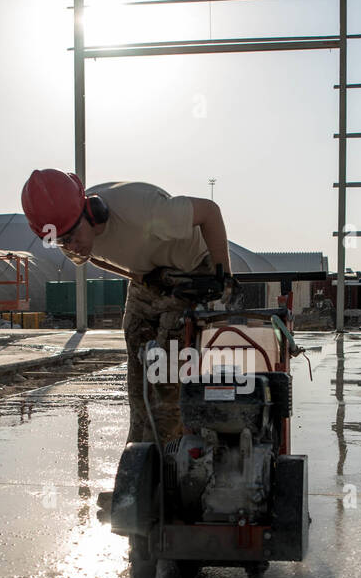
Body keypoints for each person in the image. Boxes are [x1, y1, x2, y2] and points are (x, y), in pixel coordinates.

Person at [21, 169, 235, 443]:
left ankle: (169, 460)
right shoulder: (65, 227)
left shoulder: (145, 211)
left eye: (73, 237)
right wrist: (142, 277)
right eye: (61, 241)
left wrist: (223, 279)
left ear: (93, 211)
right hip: (148, 276)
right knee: (138, 378)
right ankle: (139, 448)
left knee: (166, 376)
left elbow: (210, 212)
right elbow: (94, 257)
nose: (71, 247)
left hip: (193, 273)